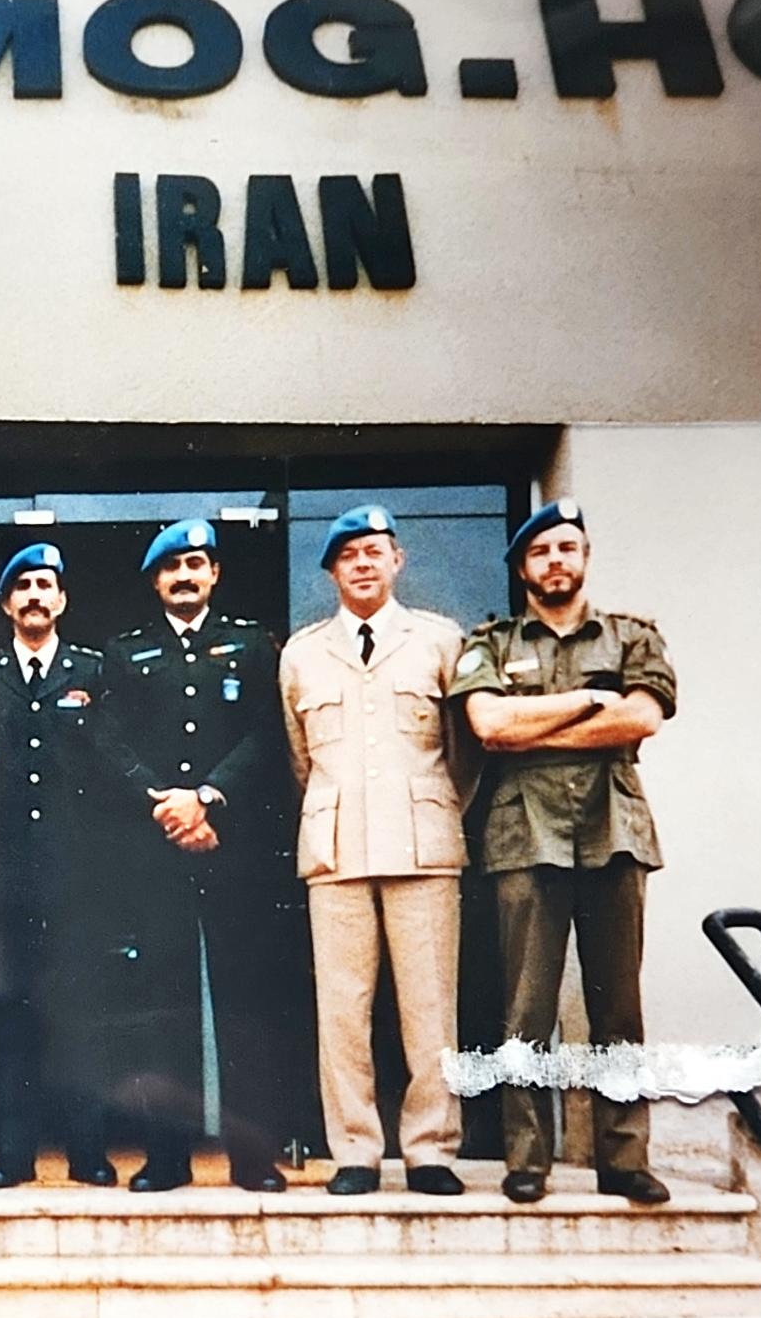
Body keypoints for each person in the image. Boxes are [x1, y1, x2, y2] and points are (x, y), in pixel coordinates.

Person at [448, 498, 677, 1205]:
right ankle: (527, 1159)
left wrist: (537, 725)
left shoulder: (632, 637)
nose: (555, 561)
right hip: (526, 834)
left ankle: (624, 1156)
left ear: (584, 558)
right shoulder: (490, 643)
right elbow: (490, 725)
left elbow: (642, 717)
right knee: (526, 1009)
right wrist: (590, 703)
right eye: (541, 551)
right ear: (522, 567)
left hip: (614, 830)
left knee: (618, 1009)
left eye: (567, 548)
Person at [96, 518, 298, 1193]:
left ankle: (253, 1157)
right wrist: (162, 803)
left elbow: (268, 733)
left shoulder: (250, 645)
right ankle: (166, 1156)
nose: (184, 576)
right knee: (163, 1006)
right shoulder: (127, 653)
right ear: (155, 581)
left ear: (214, 574)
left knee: (247, 1005)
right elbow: (107, 739)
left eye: (196, 565)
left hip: (232, 846)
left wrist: (208, 798)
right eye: (172, 568)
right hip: (156, 849)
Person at [278, 505, 469, 1197]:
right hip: (336, 851)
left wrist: (433, 809)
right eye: (348, 555)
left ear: (397, 560)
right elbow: (302, 757)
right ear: (331, 571)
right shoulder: (302, 653)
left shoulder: (439, 641)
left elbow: (464, 753)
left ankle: (430, 1149)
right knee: (342, 1010)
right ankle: (354, 1150)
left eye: (374, 552)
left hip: (422, 847)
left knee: (430, 1009)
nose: (362, 564)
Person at [0, 543, 115, 1188]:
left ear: (62, 600)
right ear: (5, 605)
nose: (33, 596)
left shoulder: (93, 671)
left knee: (79, 1014)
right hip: (4, 875)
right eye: (21, 587)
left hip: (76, 871)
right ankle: (14, 1153)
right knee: (13, 1014)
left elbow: (109, 771)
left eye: (44, 585)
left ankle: (88, 1150)